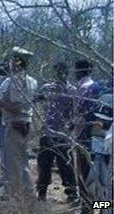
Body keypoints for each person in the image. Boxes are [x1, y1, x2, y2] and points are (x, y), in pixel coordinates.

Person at [0, 46, 38, 204]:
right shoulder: (32, 81)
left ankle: (16, 199)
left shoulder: (12, 81)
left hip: (14, 124)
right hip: (26, 124)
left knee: (12, 164)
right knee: (23, 162)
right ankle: (28, 195)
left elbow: (14, 106)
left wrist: (0, 104)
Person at [35, 62, 78, 204]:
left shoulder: (72, 90)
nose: (59, 74)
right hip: (47, 132)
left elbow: (76, 112)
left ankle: (72, 193)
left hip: (63, 134)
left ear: (66, 73)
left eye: (62, 71)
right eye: (57, 71)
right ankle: (41, 192)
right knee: (44, 164)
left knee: (66, 165)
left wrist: (71, 125)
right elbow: (35, 101)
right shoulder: (47, 88)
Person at [73, 59, 102, 214]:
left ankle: (88, 208)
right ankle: (101, 207)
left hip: (86, 138)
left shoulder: (87, 89)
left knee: (85, 175)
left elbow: (83, 116)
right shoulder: (98, 88)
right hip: (100, 140)